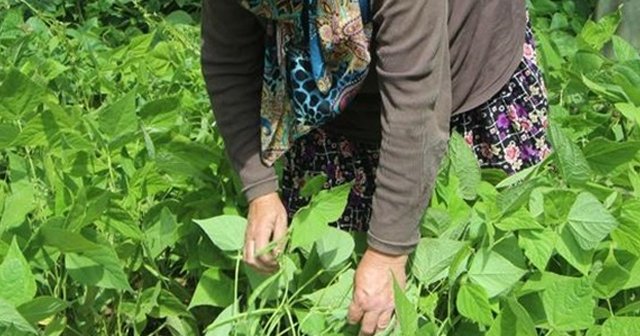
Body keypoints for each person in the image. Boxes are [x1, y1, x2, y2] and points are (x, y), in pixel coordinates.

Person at [200, 0, 551, 334]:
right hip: (329, 94)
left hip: (465, 52)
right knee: (335, 271)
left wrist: (387, 252)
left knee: (477, 254)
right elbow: (228, 59)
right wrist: (260, 189)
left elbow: (416, 107)